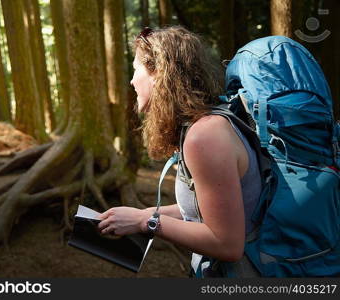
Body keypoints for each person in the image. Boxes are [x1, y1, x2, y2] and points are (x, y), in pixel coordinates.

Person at [98, 26, 262, 277]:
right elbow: (202, 209)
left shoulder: (205, 136)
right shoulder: (205, 125)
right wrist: (142, 214)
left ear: (158, 72)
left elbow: (228, 244)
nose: (131, 80)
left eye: (135, 69)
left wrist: (147, 223)